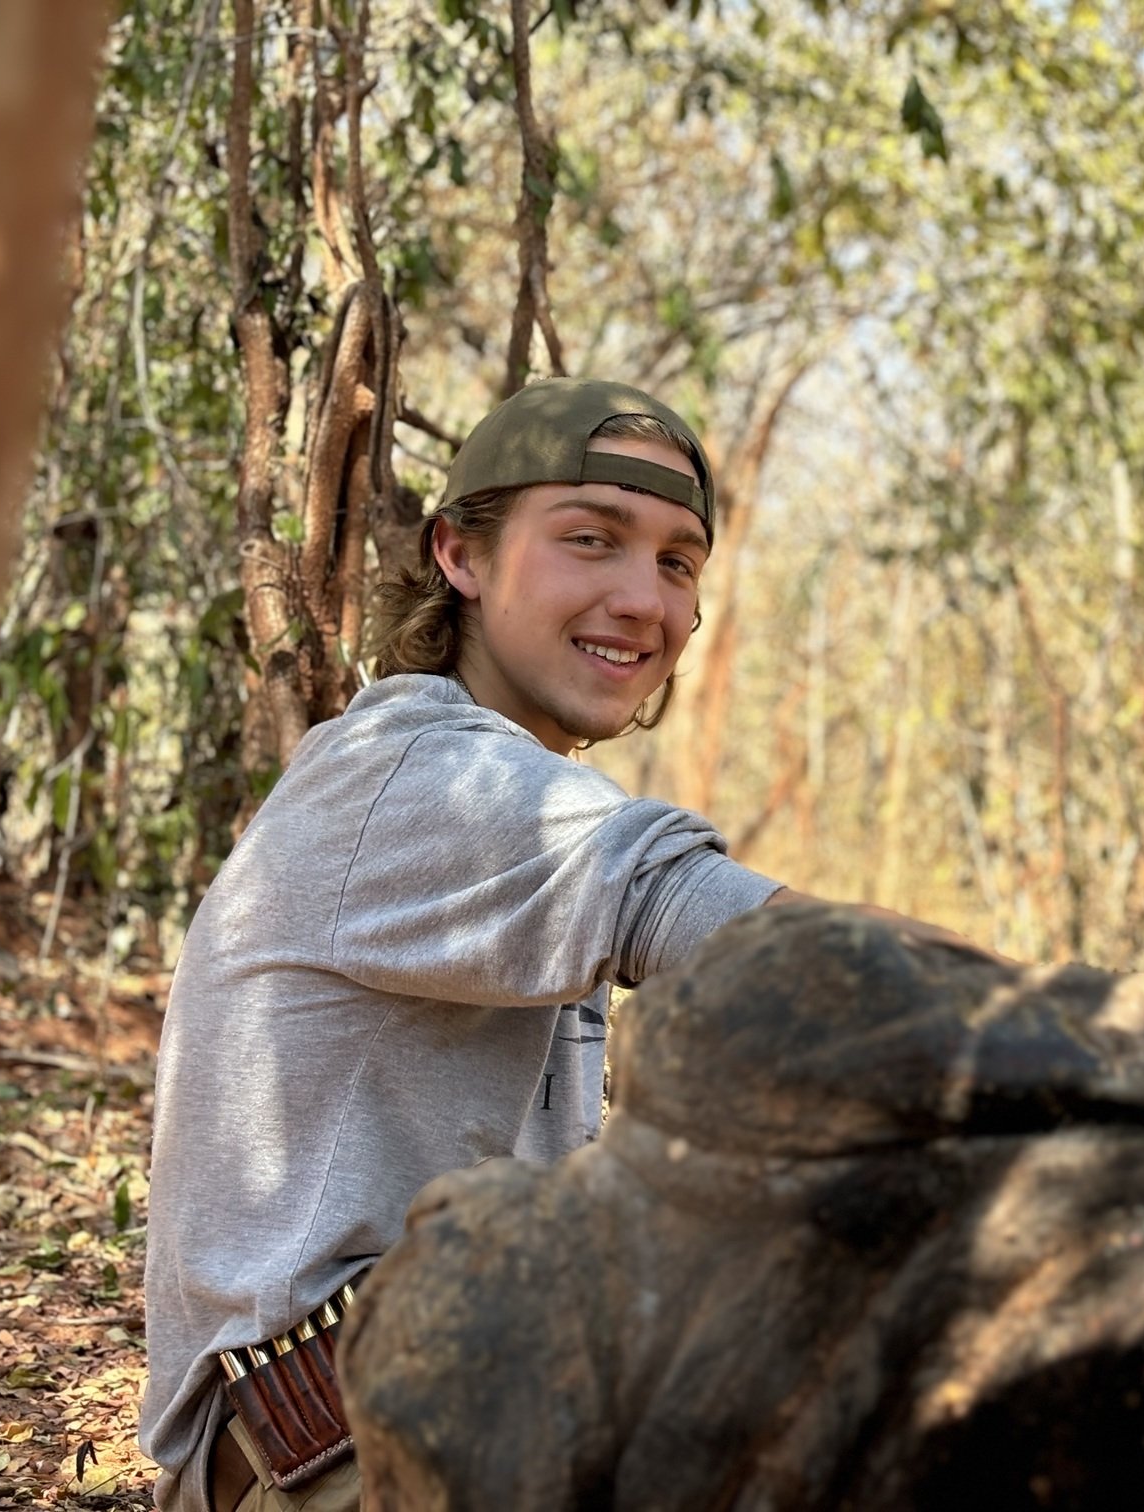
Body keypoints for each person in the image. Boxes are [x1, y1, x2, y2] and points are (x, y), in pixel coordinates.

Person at [139, 378, 942, 1511]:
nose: (642, 599)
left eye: (677, 563)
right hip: (332, 1462)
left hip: (469, 1401)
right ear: (459, 556)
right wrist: (1106, 1038)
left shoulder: (512, 793)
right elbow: (769, 947)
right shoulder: (420, 774)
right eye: (590, 541)